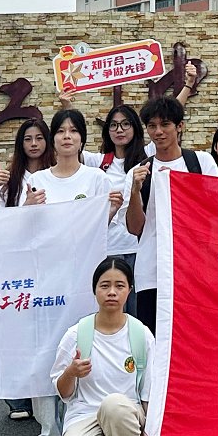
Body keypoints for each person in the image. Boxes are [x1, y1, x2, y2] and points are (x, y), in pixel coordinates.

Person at [126, 95, 218, 436]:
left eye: (165, 124)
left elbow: (215, 210)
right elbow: (135, 228)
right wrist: (135, 190)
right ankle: (158, 433)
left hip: (193, 271)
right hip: (152, 273)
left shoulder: (200, 162)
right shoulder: (141, 170)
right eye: (152, 126)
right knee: (154, 353)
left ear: (179, 126)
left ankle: (190, 431)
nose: (158, 131)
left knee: (190, 350)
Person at [20, 107, 112, 436]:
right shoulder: (37, 180)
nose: (67, 136)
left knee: (84, 355)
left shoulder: (96, 179)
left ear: (82, 139)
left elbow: (100, 227)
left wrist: (108, 209)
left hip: (83, 282)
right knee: (45, 356)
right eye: (61, 131)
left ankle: (85, 429)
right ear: (52, 139)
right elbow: (24, 232)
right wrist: (28, 208)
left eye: (74, 131)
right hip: (46, 282)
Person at [53, 257, 154, 436]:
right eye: (105, 285)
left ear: (130, 290)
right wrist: (71, 372)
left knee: (114, 404)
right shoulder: (76, 334)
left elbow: (149, 390)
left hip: (125, 414)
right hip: (84, 414)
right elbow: (62, 392)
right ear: (94, 290)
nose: (111, 292)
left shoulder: (140, 334)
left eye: (119, 286)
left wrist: (152, 429)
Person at [0, 117, 52, 423]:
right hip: (16, 263)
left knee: (45, 328)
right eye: (27, 139)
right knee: (17, 330)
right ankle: (17, 398)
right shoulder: (10, 178)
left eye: (39, 138)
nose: (34, 144)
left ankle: (47, 392)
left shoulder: (57, 174)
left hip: (50, 261)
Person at [85, 103, 149, 319]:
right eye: (113, 125)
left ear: (135, 128)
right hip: (108, 247)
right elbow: (71, 146)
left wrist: (187, 87)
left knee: (137, 313)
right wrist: (67, 104)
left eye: (125, 124)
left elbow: (166, 121)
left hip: (138, 248)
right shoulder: (99, 162)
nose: (119, 130)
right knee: (111, 311)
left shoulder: (147, 158)